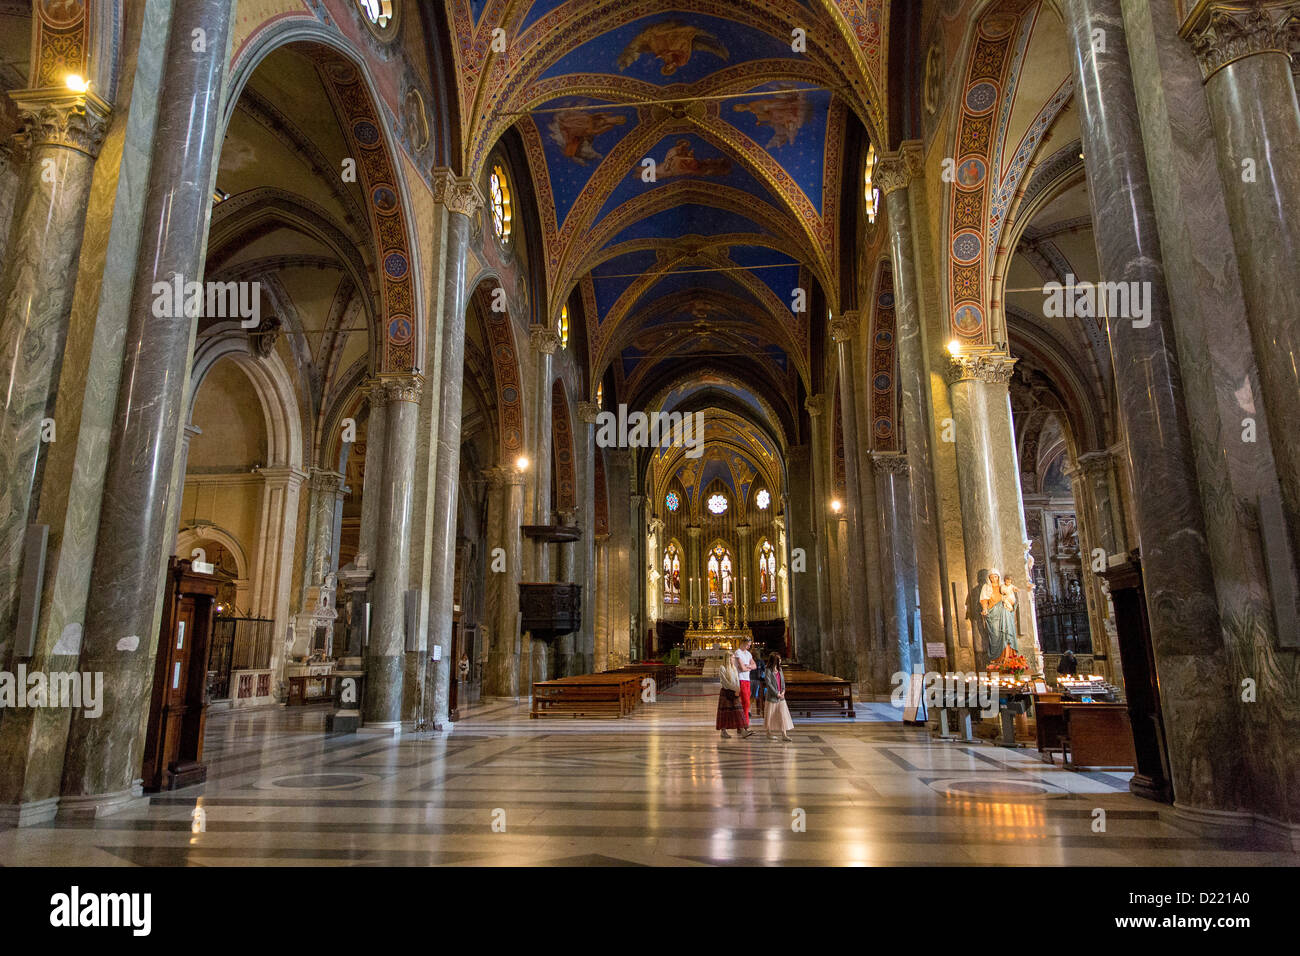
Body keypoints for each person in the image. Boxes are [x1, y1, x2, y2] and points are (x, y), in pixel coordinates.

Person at [980, 568, 1018, 661]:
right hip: (993, 612)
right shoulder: (986, 587)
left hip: (1004, 610)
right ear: (989, 578)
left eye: (995, 577)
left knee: (1006, 633)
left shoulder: (1003, 585)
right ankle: (997, 659)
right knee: (995, 635)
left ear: (998, 577)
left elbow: (1011, 596)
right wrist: (985, 609)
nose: (994, 579)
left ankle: (1008, 658)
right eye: (992, 577)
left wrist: (1010, 601)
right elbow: (984, 599)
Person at [764, 652, 794, 742]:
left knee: (782, 715)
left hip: (781, 697)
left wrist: (783, 691)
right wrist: (776, 693)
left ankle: (784, 735)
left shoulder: (780, 669)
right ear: (774, 661)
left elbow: (783, 682)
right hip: (772, 697)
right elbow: (768, 684)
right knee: (770, 715)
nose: (780, 661)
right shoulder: (768, 670)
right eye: (778, 659)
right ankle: (768, 733)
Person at [716, 657, 747, 739]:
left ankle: (742, 730)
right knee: (725, 713)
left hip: (735, 692)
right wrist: (734, 689)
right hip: (726, 692)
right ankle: (723, 731)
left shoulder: (734, 668)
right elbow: (724, 682)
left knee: (738, 711)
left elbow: (737, 680)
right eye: (732, 658)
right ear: (728, 659)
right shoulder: (722, 668)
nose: (733, 659)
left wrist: (738, 689)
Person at [733, 638, 756, 738]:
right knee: (745, 703)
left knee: (746, 703)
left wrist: (748, 667)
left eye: (750, 645)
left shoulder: (748, 654)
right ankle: (744, 726)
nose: (749, 646)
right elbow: (742, 668)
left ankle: (741, 727)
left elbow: (755, 666)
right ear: (743, 643)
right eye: (748, 644)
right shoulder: (738, 652)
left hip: (747, 680)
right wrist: (748, 667)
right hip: (741, 679)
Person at [751, 652, 767, 717]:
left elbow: (764, 669)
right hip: (754, 679)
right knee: (753, 695)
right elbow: (764, 669)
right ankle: (751, 710)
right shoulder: (751, 660)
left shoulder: (760, 661)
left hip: (755, 679)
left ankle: (750, 710)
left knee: (753, 696)